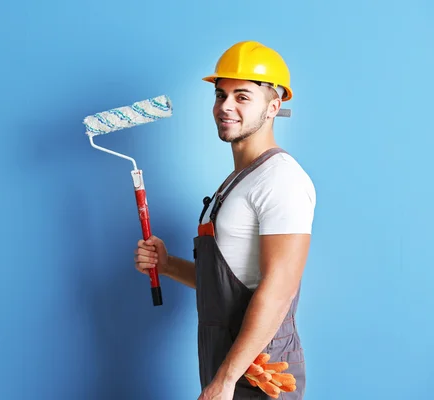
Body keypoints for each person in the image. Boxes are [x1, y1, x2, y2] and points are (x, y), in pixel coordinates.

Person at [134, 41, 316, 400]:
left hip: (261, 368)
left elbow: (279, 290)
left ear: (273, 107)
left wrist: (227, 379)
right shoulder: (237, 181)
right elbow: (228, 288)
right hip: (226, 358)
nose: (225, 107)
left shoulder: (282, 180)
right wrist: (168, 265)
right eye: (220, 95)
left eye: (242, 97)